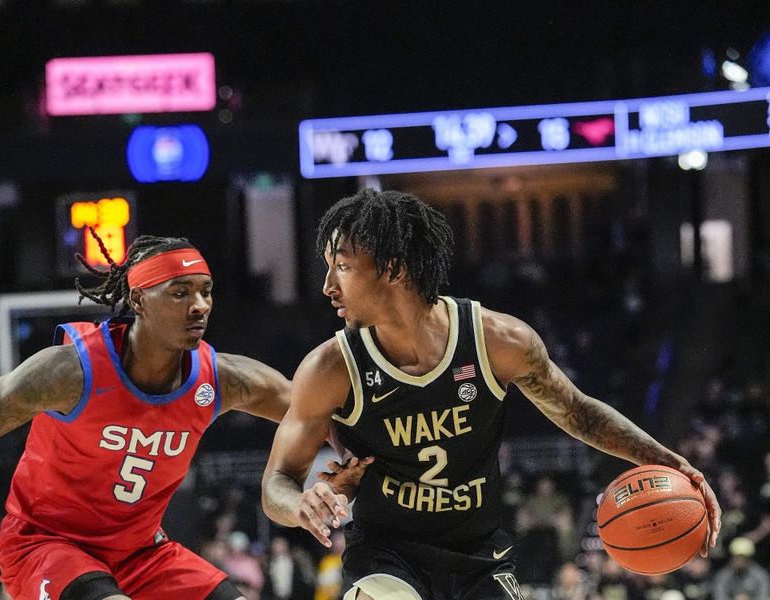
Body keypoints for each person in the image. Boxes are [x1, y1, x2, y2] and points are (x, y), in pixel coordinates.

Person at [261, 189, 722, 600]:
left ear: (394, 269)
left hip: (480, 555)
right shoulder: (330, 367)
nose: (327, 286)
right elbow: (277, 481)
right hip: (386, 555)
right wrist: (301, 505)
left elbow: (579, 413)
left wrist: (668, 461)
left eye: (341, 267)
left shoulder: (497, 341)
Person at [0, 233, 358, 600]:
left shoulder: (221, 378)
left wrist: (358, 459)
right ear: (138, 301)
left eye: (205, 291)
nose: (199, 305)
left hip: (141, 553)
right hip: (46, 545)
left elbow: (319, 415)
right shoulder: (69, 372)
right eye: (180, 293)